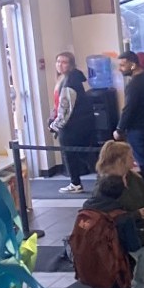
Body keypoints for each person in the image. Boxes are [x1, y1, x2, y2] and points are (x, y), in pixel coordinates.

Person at [75, 174, 140, 288]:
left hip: (92, 268)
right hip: (115, 269)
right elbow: (133, 245)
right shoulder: (121, 216)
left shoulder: (87, 208)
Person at [96, 140, 144, 288]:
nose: (133, 160)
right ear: (119, 161)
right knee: (124, 281)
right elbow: (110, 217)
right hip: (124, 242)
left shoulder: (134, 178)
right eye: (130, 157)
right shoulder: (105, 186)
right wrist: (137, 214)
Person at [50, 52, 98, 194]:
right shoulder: (64, 79)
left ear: (71, 65)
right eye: (58, 61)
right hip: (77, 123)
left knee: (72, 154)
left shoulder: (70, 81)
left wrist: (55, 125)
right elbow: (59, 105)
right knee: (81, 155)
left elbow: (66, 107)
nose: (60, 64)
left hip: (73, 125)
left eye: (64, 62)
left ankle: (75, 183)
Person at [114, 50, 144, 168]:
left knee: (143, 163)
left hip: (137, 128)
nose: (120, 69)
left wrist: (120, 129)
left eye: (122, 65)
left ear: (133, 65)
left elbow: (129, 107)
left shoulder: (134, 84)